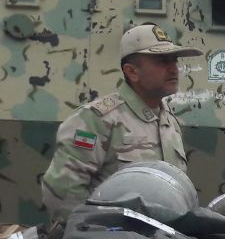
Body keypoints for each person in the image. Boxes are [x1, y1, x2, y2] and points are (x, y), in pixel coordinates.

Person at [42, 24, 201, 219]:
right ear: (132, 72)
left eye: (174, 60)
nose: (173, 69)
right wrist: (90, 231)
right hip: (111, 236)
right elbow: (62, 189)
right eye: (162, 61)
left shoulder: (168, 121)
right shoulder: (95, 120)